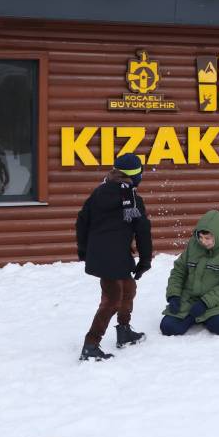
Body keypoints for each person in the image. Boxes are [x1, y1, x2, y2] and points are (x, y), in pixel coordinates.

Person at [75, 153, 153, 361]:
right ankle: (91, 344)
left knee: (128, 289)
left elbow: (81, 222)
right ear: (136, 176)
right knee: (112, 299)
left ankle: (124, 331)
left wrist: (84, 250)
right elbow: (143, 232)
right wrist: (145, 261)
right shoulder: (133, 200)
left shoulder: (98, 193)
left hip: (112, 255)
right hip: (110, 257)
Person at [160, 209, 219, 337]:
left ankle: (203, 317)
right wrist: (174, 296)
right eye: (201, 237)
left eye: (208, 238)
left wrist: (205, 302)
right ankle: (191, 317)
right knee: (168, 328)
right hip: (188, 300)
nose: (203, 241)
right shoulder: (193, 246)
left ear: (218, 235)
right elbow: (178, 271)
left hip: (215, 303)